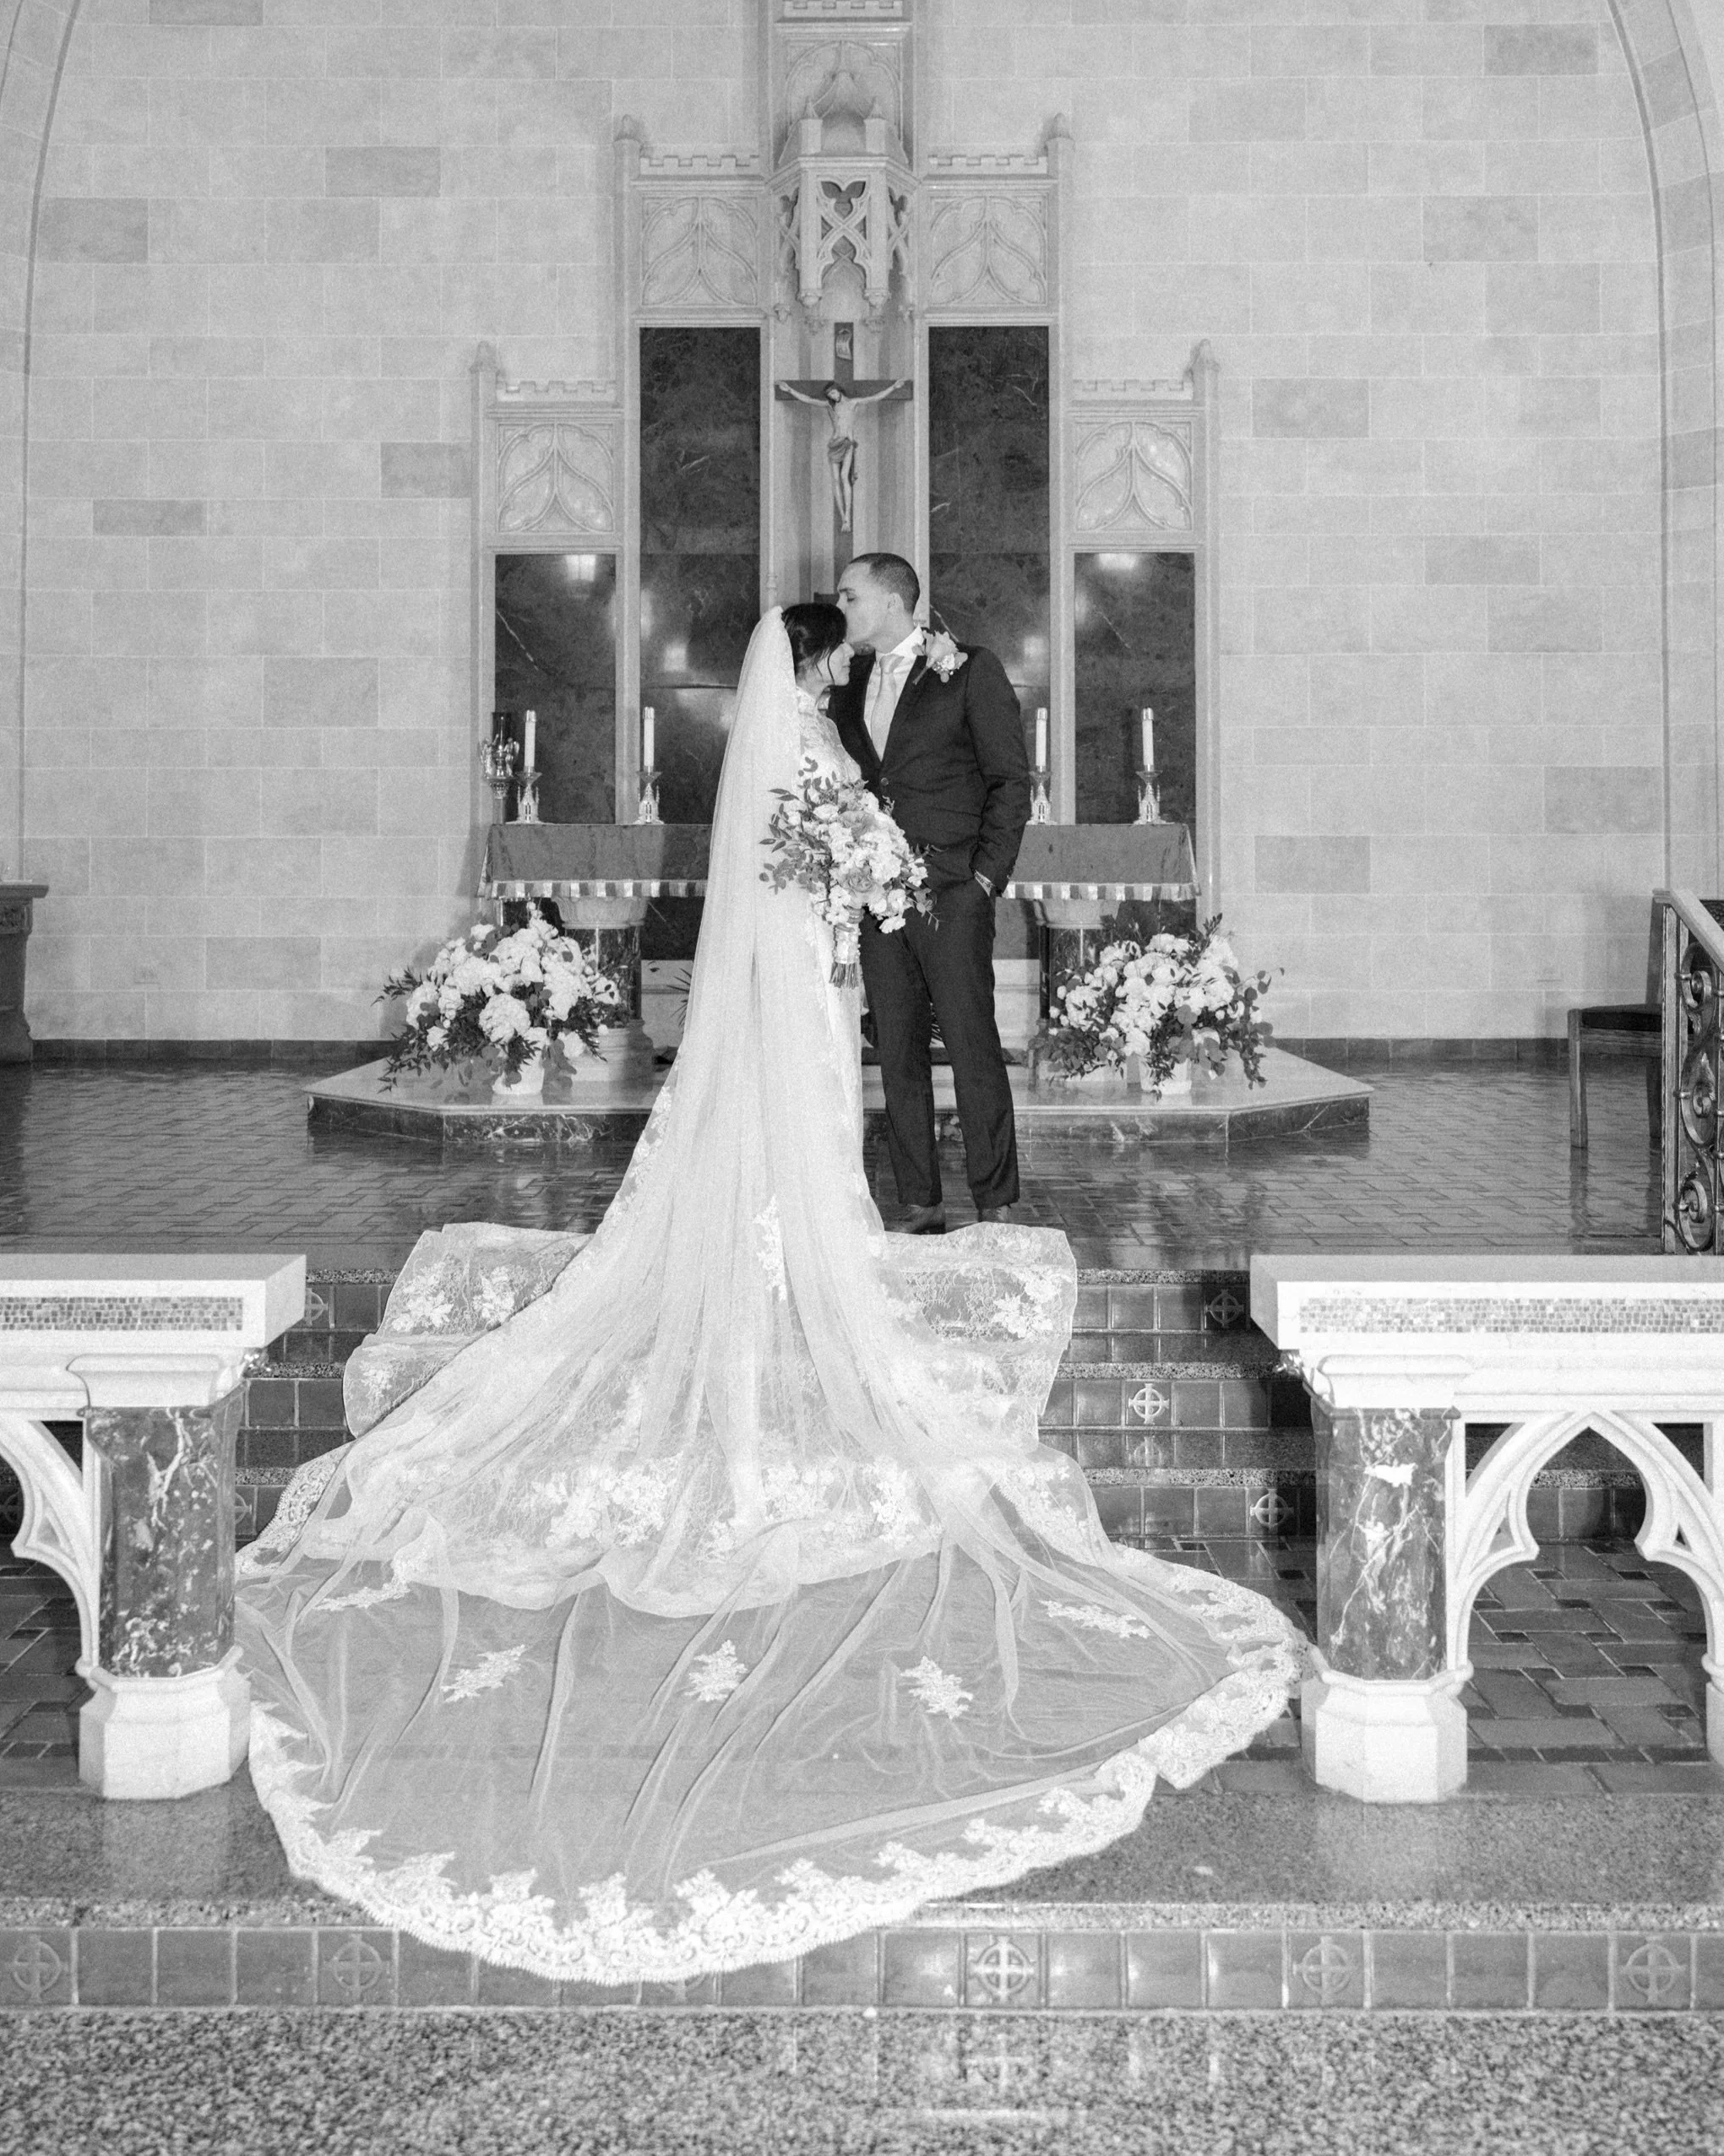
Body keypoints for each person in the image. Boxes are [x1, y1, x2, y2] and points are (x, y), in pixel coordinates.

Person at [234, 606, 1294, 1990]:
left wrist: (862, 867)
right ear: (804, 665)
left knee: (810, 1117)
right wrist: (854, 866)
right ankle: (792, 1240)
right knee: (799, 1118)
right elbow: (815, 843)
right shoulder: (805, 734)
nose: (840, 659)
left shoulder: (796, 732)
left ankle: (798, 1234)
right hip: (799, 964)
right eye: (828, 647)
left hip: (801, 960)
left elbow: (817, 839)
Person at [832, 554, 1027, 1230]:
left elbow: (1009, 780)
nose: (843, 610)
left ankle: (995, 1200)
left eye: (850, 597)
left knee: (973, 1045)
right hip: (876, 899)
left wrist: (983, 879)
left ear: (891, 602)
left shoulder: (968, 668)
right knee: (897, 1050)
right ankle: (918, 1199)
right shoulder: (847, 678)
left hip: (952, 890)